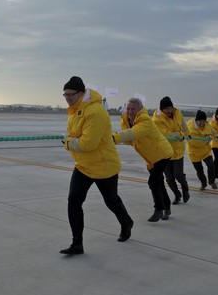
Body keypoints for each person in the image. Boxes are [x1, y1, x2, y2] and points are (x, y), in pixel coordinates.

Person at [61, 76, 134, 255]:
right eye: (65, 95)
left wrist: (68, 143)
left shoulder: (96, 112)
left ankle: (126, 222)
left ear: (80, 93)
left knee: (111, 201)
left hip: (104, 165)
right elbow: (73, 134)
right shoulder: (74, 111)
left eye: (70, 95)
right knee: (74, 201)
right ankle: (77, 244)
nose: (67, 98)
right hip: (83, 166)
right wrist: (71, 140)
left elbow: (88, 144)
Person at [115, 97, 174, 222]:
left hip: (162, 154)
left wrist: (114, 138)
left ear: (140, 109)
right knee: (158, 183)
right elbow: (130, 139)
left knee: (153, 182)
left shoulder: (145, 121)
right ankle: (167, 208)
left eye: (133, 109)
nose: (130, 111)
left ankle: (158, 209)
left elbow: (133, 133)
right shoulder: (126, 121)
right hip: (151, 157)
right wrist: (111, 138)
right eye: (128, 108)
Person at [153, 96, 191, 205]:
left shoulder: (177, 113)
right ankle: (177, 195)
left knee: (178, 175)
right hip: (165, 151)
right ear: (162, 109)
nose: (169, 111)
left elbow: (183, 126)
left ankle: (185, 188)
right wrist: (178, 135)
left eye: (170, 108)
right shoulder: (157, 119)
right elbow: (164, 133)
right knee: (169, 179)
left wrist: (186, 135)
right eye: (166, 109)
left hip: (178, 150)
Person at [186, 110, 217, 190]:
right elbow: (195, 143)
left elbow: (214, 132)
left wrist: (216, 136)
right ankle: (203, 184)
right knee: (199, 170)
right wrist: (206, 140)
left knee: (211, 165)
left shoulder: (207, 125)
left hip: (205, 151)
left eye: (204, 121)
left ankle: (212, 181)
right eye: (200, 121)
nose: (202, 123)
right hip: (194, 153)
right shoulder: (190, 128)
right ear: (196, 120)